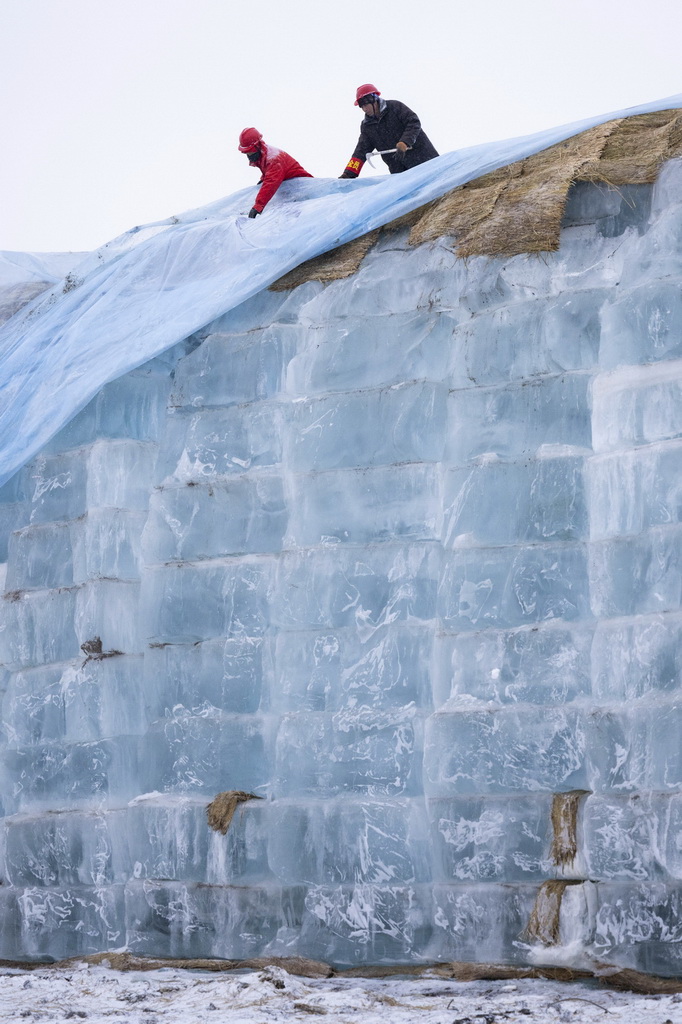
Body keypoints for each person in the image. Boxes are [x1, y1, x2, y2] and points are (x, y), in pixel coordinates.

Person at [339, 84, 438, 178]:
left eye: (366, 105)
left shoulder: (395, 107)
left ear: (374, 100)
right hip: (401, 173)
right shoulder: (367, 126)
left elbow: (413, 123)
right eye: (361, 106)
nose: (364, 109)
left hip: (424, 161)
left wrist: (405, 142)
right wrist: (348, 173)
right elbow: (361, 151)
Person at [238, 128, 313, 217]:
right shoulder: (264, 155)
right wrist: (263, 179)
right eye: (246, 152)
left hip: (304, 193)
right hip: (292, 193)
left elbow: (271, 182)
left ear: (257, 146)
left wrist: (258, 206)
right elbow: (268, 173)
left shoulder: (274, 159)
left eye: (250, 151)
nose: (248, 155)